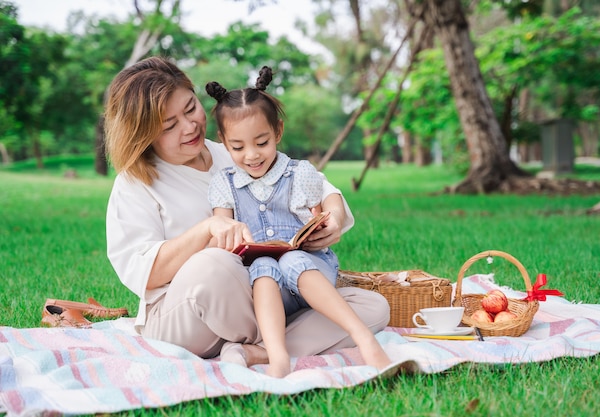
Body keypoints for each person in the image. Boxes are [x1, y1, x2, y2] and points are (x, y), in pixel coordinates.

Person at [103, 55, 391, 369]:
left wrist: (332, 217)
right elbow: (145, 272)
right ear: (143, 134)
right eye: (169, 125)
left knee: (372, 307)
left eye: (190, 109)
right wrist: (207, 229)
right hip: (183, 317)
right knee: (213, 264)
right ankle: (274, 340)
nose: (189, 126)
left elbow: (316, 185)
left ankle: (258, 350)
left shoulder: (234, 151)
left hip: (261, 292)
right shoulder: (136, 182)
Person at [205, 67, 392, 377]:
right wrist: (231, 239)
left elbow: (323, 208)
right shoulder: (223, 184)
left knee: (292, 259)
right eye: (238, 148)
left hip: (310, 273)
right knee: (263, 265)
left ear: (278, 132)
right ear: (224, 143)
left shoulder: (299, 173)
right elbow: (220, 232)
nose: (251, 155)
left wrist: (327, 221)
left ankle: (364, 339)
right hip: (266, 290)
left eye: (262, 143)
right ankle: (277, 357)